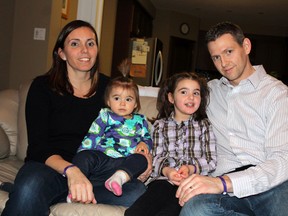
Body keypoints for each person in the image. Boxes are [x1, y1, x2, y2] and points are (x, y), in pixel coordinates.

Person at [2, 20, 150, 216]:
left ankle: (43, 194)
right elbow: (38, 147)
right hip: (50, 169)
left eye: (90, 43)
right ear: (61, 53)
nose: (85, 50)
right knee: (31, 187)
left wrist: (144, 155)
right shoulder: (42, 87)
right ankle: (36, 192)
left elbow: (130, 125)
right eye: (75, 44)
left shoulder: (111, 88)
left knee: (137, 193)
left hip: (97, 172)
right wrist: (72, 172)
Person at [176, 21, 288, 216]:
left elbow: (282, 159)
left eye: (229, 52)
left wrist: (221, 183)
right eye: (216, 57)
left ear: (246, 46)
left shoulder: (277, 94)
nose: (224, 63)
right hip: (226, 193)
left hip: (272, 187)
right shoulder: (208, 92)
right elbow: (174, 103)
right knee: (195, 209)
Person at [125, 72, 217, 216]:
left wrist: (190, 168)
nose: (191, 97)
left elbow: (211, 161)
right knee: (135, 212)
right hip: (163, 180)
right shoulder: (160, 125)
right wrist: (167, 171)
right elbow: (155, 157)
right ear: (171, 97)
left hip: (192, 183)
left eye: (196, 93)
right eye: (184, 92)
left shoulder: (205, 126)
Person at [68, 74, 152, 202]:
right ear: (108, 101)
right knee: (83, 156)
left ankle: (118, 178)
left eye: (128, 99)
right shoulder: (105, 116)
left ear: (135, 104)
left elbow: (147, 137)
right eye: (117, 98)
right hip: (103, 159)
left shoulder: (140, 120)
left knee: (141, 160)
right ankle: (76, 190)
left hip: (124, 163)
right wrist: (83, 155)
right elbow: (92, 136)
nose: (122, 103)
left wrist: (144, 144)